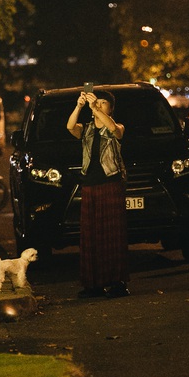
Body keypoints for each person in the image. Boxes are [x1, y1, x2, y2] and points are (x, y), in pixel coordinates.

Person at [66, 89, 130, 299]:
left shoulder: (116, 126)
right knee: (91, 236)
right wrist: (79, 106)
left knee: (112, 235)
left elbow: (114, 129)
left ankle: (117, 283)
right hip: (90, 185)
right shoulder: (87, 129)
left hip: (110, 184)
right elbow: (69, 127)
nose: (99, 105)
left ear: (111, 108)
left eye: (104, 103)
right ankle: (93, 284)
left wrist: (95, 109)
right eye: (98, 102)